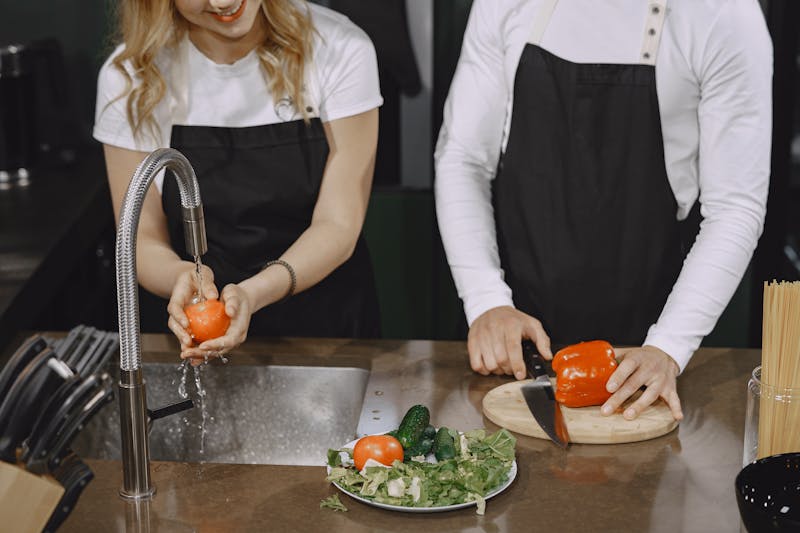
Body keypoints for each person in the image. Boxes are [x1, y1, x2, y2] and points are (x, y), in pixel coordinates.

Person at [435, 0, 772, 420]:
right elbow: (463, 157)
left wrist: (668, 346)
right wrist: (485, 300)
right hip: (512, 337)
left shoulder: (722, 14)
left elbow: (735, 206)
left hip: (651, 344)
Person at [94, 0, 383, 365]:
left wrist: (254, 292)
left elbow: (338, 225)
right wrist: (182, 278)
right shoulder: (130, 76)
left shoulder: (339, 49)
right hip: (195, 336)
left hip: (326, 332)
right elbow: (140, 238)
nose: (222, 2)